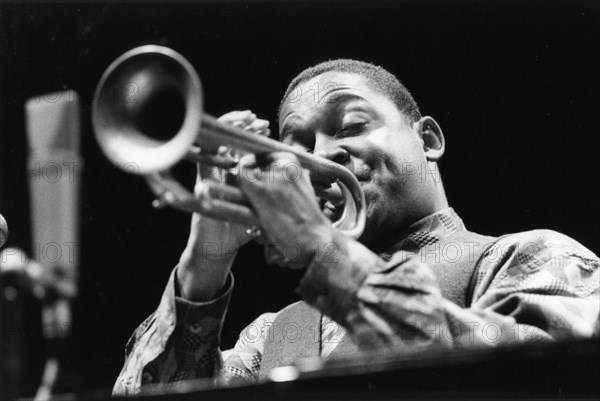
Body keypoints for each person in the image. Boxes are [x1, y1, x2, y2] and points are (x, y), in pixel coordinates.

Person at [113, 60, 599, 395]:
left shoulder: (533, 256)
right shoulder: (271, 334)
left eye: (349, 126)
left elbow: (539, 382)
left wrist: (324, 250)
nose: (321, 155)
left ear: (427, 139)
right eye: (298, 142)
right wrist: (205, 261)